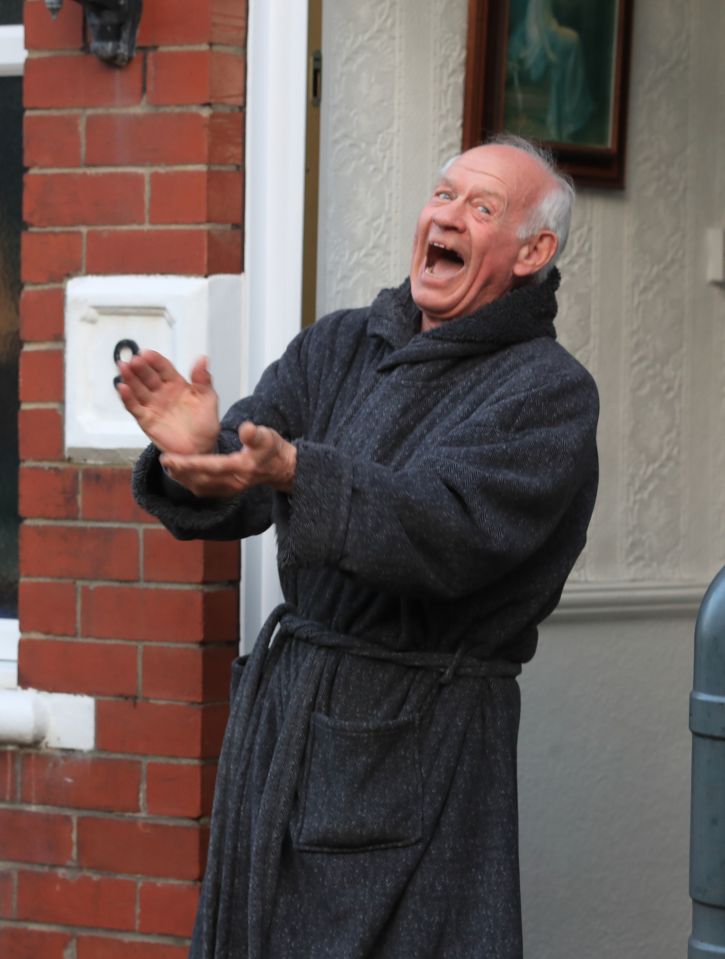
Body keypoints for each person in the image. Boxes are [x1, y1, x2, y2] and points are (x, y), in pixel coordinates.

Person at [119, 134, 598, 959]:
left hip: (418, 733)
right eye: (443, 194)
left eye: (480, 207)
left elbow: (446, 527)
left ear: (533, 251)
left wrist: (301, 470)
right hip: (284, 715)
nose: (446, 215)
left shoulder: (548, 392)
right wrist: (200, 458)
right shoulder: (339, 343)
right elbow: (249, 463)